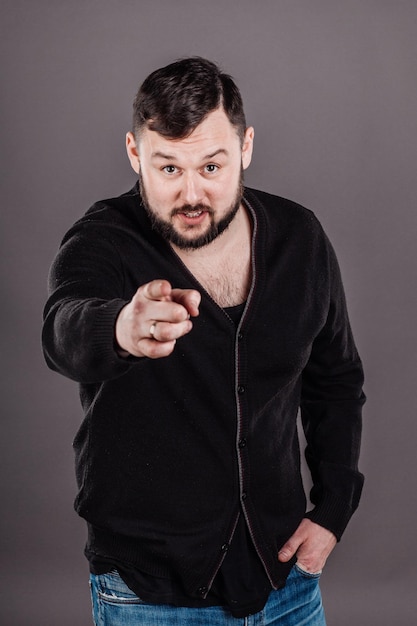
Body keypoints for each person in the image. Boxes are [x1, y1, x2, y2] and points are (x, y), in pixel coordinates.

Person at [42, 57, 365, 625]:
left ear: (245, 148)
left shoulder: (301, 239)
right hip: (149, 596)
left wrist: (334, 509)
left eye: (211, 166)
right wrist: (119, 328)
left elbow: (335, 381)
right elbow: (62, 328)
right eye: (169, 169)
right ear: (135, 153)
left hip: (284, 580)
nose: (192, 195)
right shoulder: (103, 240)